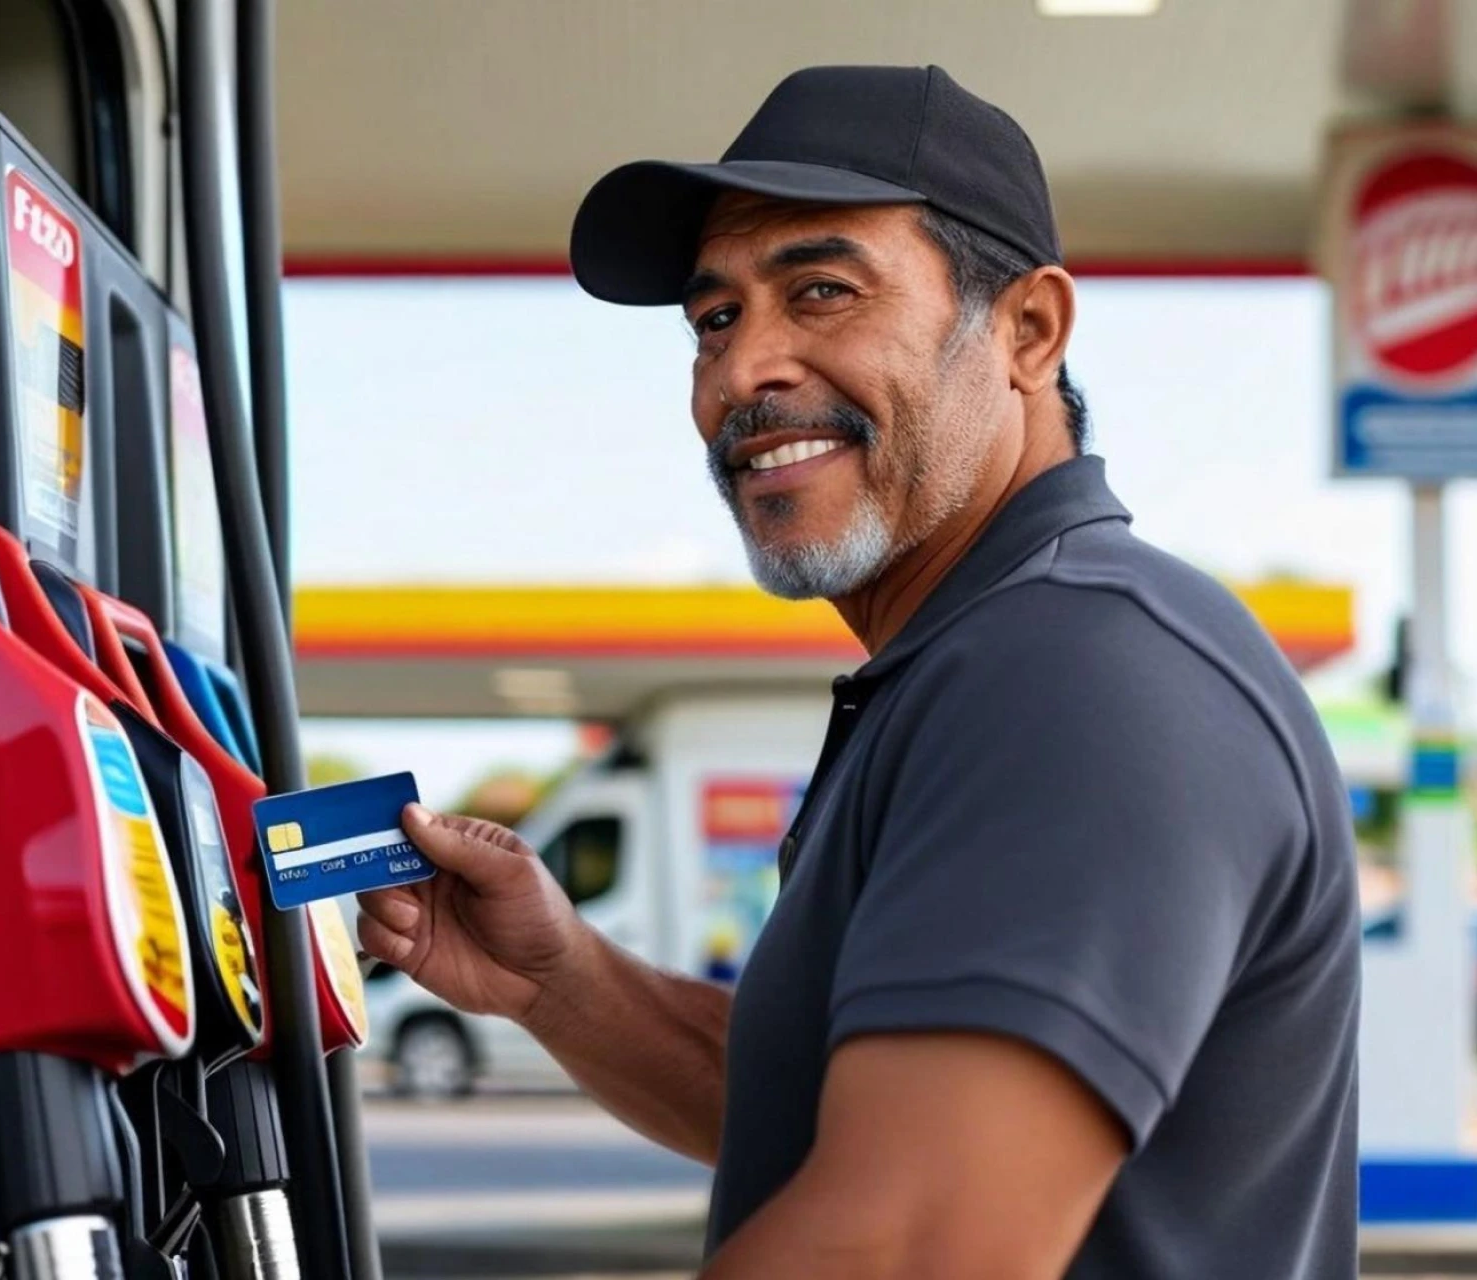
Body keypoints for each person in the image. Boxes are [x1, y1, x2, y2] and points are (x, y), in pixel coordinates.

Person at [357, 65, 1359, 1278]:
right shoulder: (975, 661)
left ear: (1027, 331)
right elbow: (850, 1121)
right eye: (715, 320)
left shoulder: (1079, 668)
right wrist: (559, 975)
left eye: (822, 291)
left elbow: (906, 1243)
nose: (744, 371)